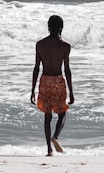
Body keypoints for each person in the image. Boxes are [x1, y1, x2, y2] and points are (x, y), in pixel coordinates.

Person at [31, 15, 75, 156]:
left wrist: (32, 90)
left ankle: (49, 150)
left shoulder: (40, 45)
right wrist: (71, 91)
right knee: (62, 114)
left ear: (48, 27)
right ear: (61, 28)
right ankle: (55, 137)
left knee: (47, 115)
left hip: (44, 81)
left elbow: (36, 68)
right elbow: (66, 69)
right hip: (58, 81)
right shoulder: (65, 46)